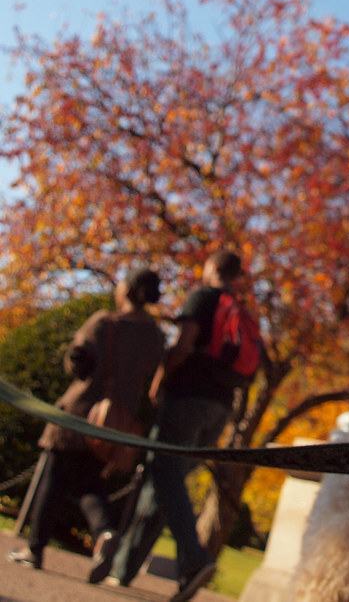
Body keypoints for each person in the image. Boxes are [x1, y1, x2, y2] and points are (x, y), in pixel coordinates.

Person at [106, 250, 250, 602]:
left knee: (164, 475)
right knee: (164, 485)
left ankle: (194, 560)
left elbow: (183, 345)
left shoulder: (203, 297)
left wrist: (160, 379)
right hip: (219, 407)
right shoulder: (240, 309)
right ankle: (123, 570)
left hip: (188, 399)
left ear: (214, 267)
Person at [8, 268, 164, 584]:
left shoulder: (105, 321)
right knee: (88, 484)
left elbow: (77, 365)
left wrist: (77, 357)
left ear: (129, 290)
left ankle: (35, 549)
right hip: (115, 422)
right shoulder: (156, 337)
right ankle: (105, 531)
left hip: (80, 412)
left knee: (53, 479)